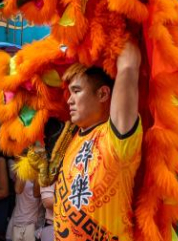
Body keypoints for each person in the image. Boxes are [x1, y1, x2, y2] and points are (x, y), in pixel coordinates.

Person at [54, 40, 141, 240]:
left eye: (76, 91)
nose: (69, 100)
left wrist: (114, 26)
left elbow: (128, 67)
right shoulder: (72, 139)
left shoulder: (116, 136)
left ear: (102, 94)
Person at [6, 175, 42, 241]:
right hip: (17, 222)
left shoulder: (41, 171)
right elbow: (18, 190)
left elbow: (36, 194)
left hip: (33, 225)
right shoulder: (23, 169)